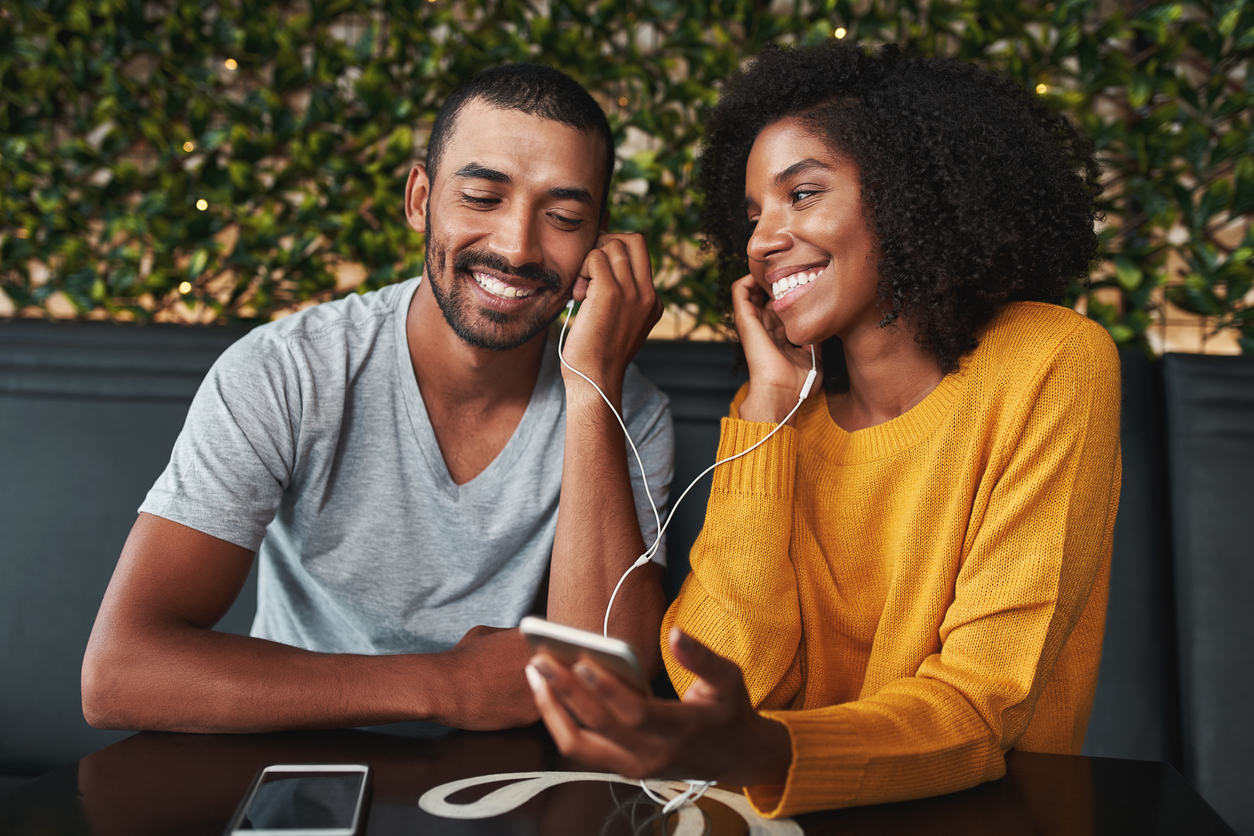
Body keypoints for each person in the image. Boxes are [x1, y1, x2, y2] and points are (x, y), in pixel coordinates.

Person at [527, 41, 1121, 817]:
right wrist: (769, 408)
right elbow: (739, 677)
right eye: (752, 215)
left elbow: (985, 707)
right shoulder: (777, 412)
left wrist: (766, 749)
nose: (762, 239)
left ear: (911, 194)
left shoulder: (1051, 363)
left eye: (802, 195)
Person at [81, 64, 673, 733]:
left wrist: (593, 384)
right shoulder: (287, 371)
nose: (516, 246)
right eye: (481, 197)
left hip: (503, 779)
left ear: (598, 240)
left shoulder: (628, 408)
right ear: (420, 199)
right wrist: (444, 685)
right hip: (300, 762)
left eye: (564, 216)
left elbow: (605, 685)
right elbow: (119, 673)